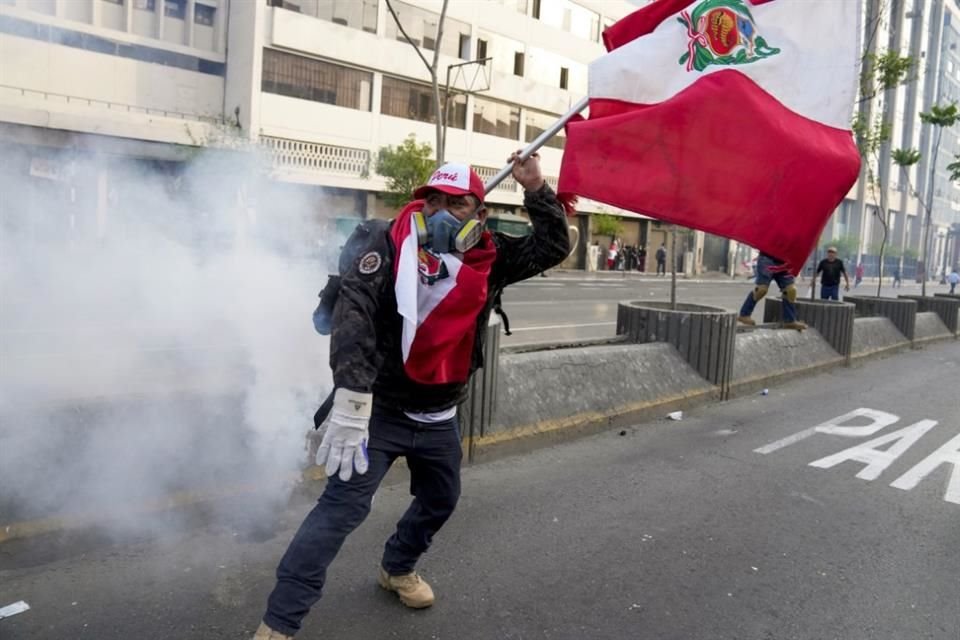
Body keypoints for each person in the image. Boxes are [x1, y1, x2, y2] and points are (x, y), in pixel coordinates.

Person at [253, 154, 570, 640]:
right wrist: (352, 404)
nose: (443, 211)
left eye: (458, 204)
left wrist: (536, 189)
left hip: (440, 415)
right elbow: (352, 319)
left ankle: (397, 566)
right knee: (341, 509)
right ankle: (280, 620)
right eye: (434, 200)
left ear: (479, 215)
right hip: (378, 412)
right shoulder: (384, 243)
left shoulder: (490, 257)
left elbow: (552, 245)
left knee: (442, 498)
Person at [737, 251, 807, 330]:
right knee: (761, 290)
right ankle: (744, 314)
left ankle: (790, 320)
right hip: (767, 258)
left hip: (785, 261)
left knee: (790, 291)